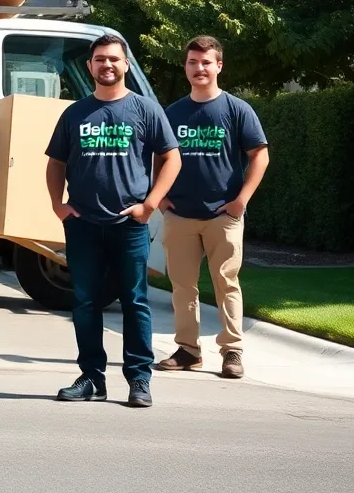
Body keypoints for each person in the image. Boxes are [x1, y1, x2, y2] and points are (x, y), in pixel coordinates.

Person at [45, 33, 180, 407]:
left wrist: (149, 205)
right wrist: (59, 206)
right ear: (90, 67)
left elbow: (172, 159)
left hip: (129, 225)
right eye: (100, 59)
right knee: (85, 302)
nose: (107, 65)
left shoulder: (146, 110)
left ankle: (139, 379)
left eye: (114, 59)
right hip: (84, 224)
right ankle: (91, 378)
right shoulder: (74, 113)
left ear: (125, 64)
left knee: (135, 301)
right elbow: (55, 163)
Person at [155, 35, 269, 379]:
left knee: (227, 284)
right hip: (181, 216)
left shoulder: (237, 109)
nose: (199, 68)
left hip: (224, 215)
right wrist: (159, 198)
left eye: (206, 62)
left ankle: (232, 351)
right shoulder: (172, 113)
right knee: (183, 287)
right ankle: (188, 350)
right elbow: (154, 157)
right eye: (193, 62)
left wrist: (241, 201)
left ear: (219, 65)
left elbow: (259, 155)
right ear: (186, 67)